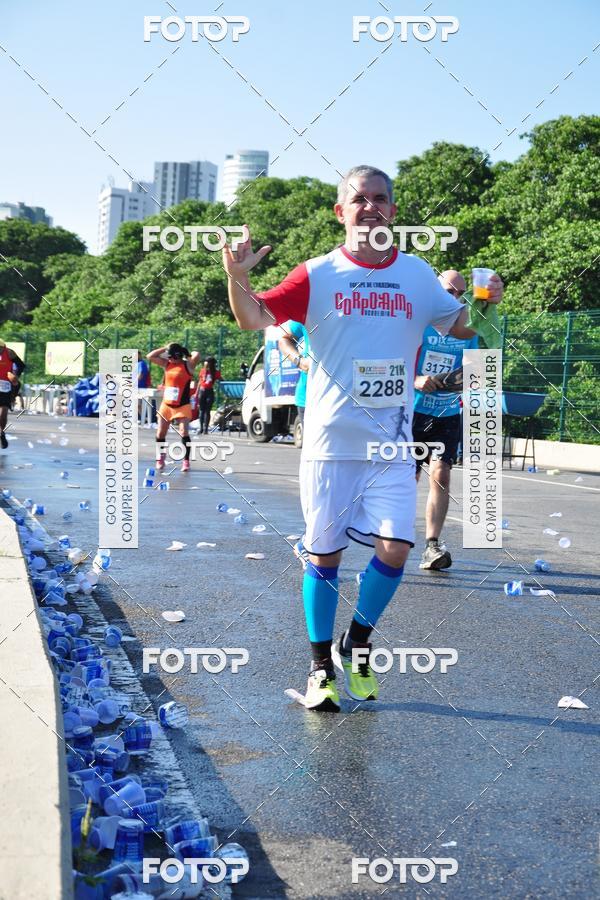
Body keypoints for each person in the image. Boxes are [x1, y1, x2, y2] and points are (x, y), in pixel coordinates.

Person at [223, 165, 503, 712]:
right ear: (341, 212)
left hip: (392, 444)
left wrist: (488, 301)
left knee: (396, 548)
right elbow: (251, 319)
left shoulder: (417, 274)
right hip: (330, 443)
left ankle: (357, 641)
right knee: (323, 556)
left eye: (380, 199)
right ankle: (319, 666)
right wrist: (235, 275)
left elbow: (462, 326)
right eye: (359, 199)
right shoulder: (317, 274)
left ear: (393, 211)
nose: (370, 207)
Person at [413, 270, 478, 570]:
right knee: (407, 479)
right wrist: (416, 380)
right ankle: (392, 541)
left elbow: (474, 371)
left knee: (441, 475)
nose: (455, 298)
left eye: (460, 294)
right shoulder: (418, 322)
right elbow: (395, 361)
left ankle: (432, 545)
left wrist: (458, 381)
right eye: (449, 291)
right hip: (413, 412)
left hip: (447, 413)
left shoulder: (467, 330)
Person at [147, 343, 201, 472]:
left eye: (171, 356)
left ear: (177, 355)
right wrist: (166, 347)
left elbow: (197, 354)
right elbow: (150, 356)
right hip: (167, 405)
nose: (169, 358)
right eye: (168, 356)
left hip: (182, 405)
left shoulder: (188, 365)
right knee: (160, 432)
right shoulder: (167, 364)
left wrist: (186, 353)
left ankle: (186, 461)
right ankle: (161, 456)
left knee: (183, 432)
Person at [278, 321, 311, 428]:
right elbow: (284, 339)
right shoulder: (311, 312)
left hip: (352, 397)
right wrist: (300, 362)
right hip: (309, 399)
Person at [0, 340, 25, 449]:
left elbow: (21, 365)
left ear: (3, 347)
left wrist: (15, 376)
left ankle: (1, 432)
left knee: (3, 412)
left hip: (5, 385)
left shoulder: (10, 353)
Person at [196, 356, 222, 434]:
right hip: (202, 391)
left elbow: (220, 379)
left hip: (209, 391)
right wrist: (196, 393)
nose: (206, 363)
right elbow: (200, 382)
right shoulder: (202, 371)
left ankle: (206, 429)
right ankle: (201, 428)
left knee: (207, 411)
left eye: (208, 362)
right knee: (201, 410)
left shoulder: (216, 372)